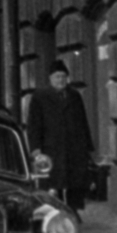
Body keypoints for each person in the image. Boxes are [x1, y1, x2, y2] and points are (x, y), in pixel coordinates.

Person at [26, 60, 95, 212]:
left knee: (74, 181)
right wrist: (35, 148)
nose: (61, 80)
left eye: (63, 76)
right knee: (52, 182)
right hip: (51, 147)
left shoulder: (74, 95)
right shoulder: (40, 96)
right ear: (50, 79)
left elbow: (82, 121)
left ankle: (73, 211)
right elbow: (34, 125)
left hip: (73, 147)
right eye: (57, 77)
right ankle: (52, 210)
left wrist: (87, 147)